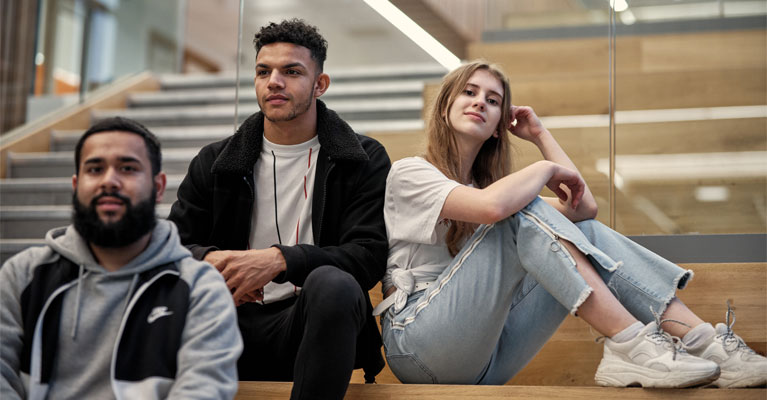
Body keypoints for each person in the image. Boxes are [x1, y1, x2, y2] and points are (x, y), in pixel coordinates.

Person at [375, 61, 767, 388]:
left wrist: (541, 135)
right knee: (520, 211)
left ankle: (705, 342)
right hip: (416, 343)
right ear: (445, 106)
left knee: (579, 232)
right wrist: (545, 168)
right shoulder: (411, 173)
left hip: (485, 358)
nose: (480, 102)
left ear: (499, 124)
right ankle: (632, 345)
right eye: (469, 92)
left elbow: (583, 211)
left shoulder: (496, 191)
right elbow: (493, 207)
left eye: (492, 100)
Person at [167, 19, 390, 399]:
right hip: (224, 325)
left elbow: (367, 257)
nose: (274, 81)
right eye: (263, 71)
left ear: (320, 85)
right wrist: (214, 264)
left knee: (334, 284)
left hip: (310, 326)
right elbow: (171, 248)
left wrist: (278, 260)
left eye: (291, 71)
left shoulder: (362, 159)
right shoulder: (216, 161)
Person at [0, 117, 243, 399]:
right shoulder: (23, 275)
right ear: (76, 185)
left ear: (159, 188)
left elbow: (203, 390)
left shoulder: (200, 290)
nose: (109, 181)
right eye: (95, 169)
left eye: (127, 168)